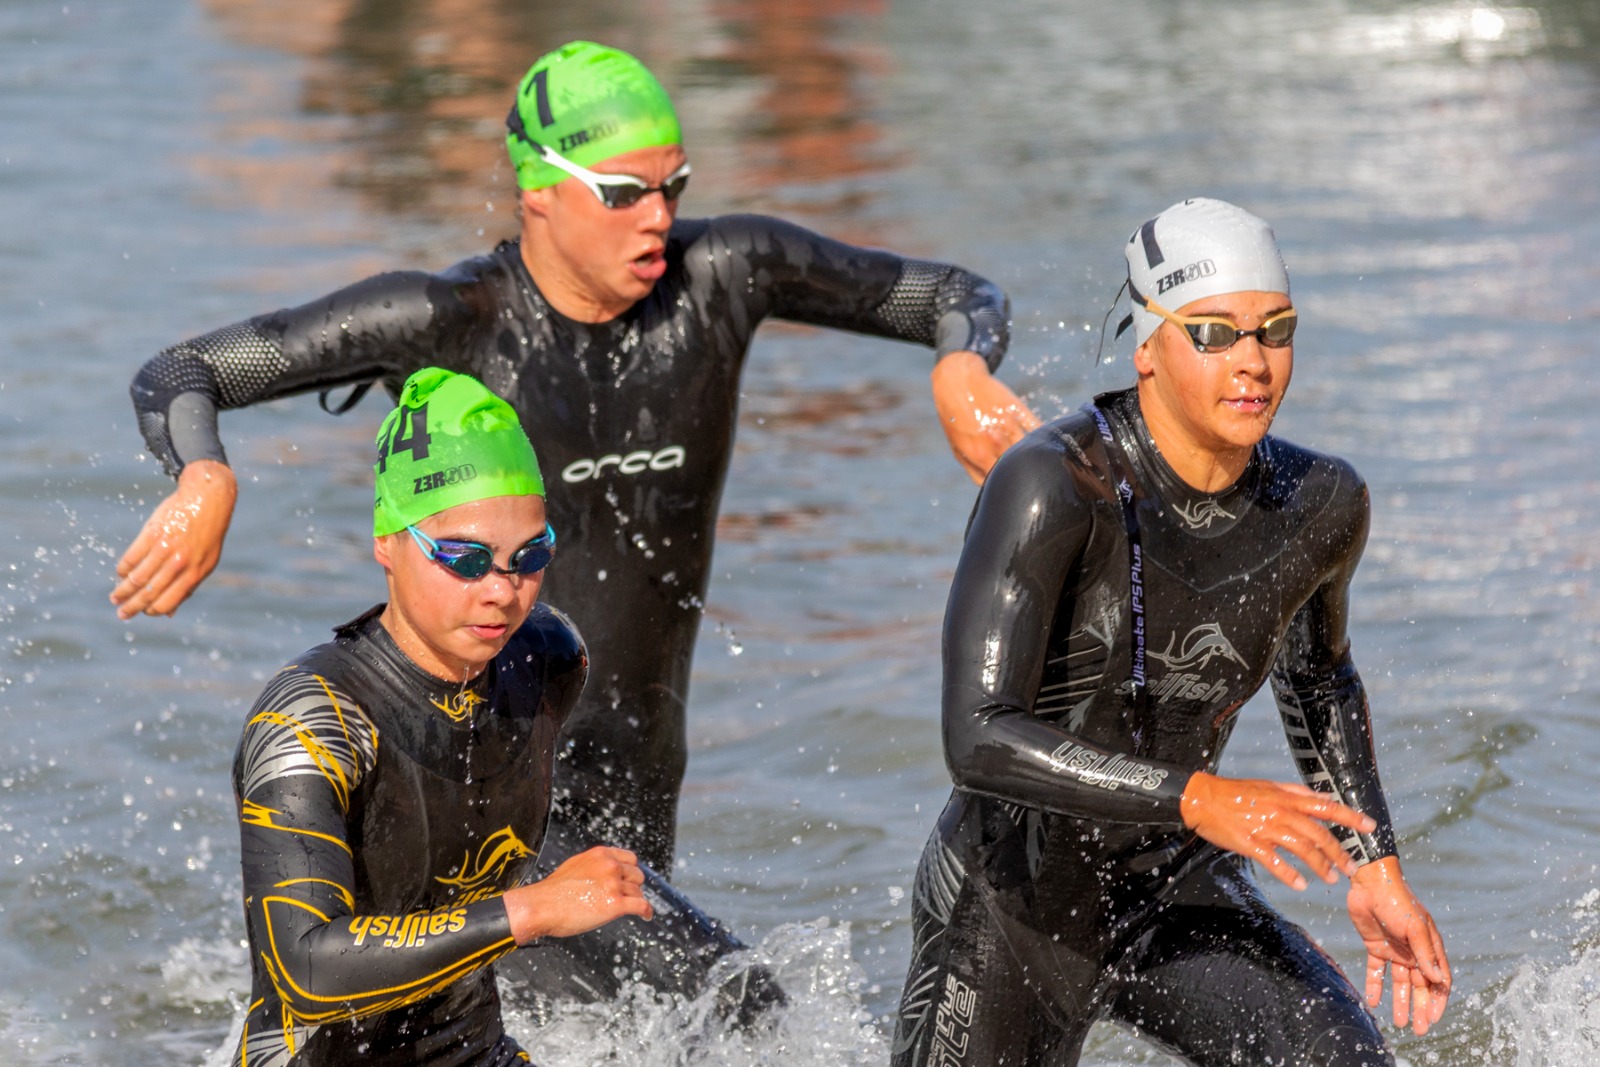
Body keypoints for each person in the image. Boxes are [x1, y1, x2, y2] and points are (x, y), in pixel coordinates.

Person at [114, 39, 1033, 1011]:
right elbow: (183, 371)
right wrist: (204, 476)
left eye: (672, 186)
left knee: (591, 1021)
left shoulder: (723, 275)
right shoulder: (450, 319)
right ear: (537, 191)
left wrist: (959, 367)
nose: (660, 217)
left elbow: (953, 294)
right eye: (622, 192)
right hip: (473, 773)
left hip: (637, 780)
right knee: (741, 1006)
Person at [891, 198, 1451, 1067]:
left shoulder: (1320, 502)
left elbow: (1319, 679)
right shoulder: (1052, 484)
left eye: (1275, 330)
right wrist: (1202, 797)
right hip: (1012, 895)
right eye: (1214, 333)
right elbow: (978, 736)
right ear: (1147, 350)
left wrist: (1374, 863)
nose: (1253, 362)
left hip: (1175, 886)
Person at [231, 367, 653, 1065]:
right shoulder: (311, 720)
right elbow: (307, 972)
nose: (501, 591)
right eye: (464, 557)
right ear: (387, 543)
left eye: (530, 556)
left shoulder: (548, 660)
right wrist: (533, 909)